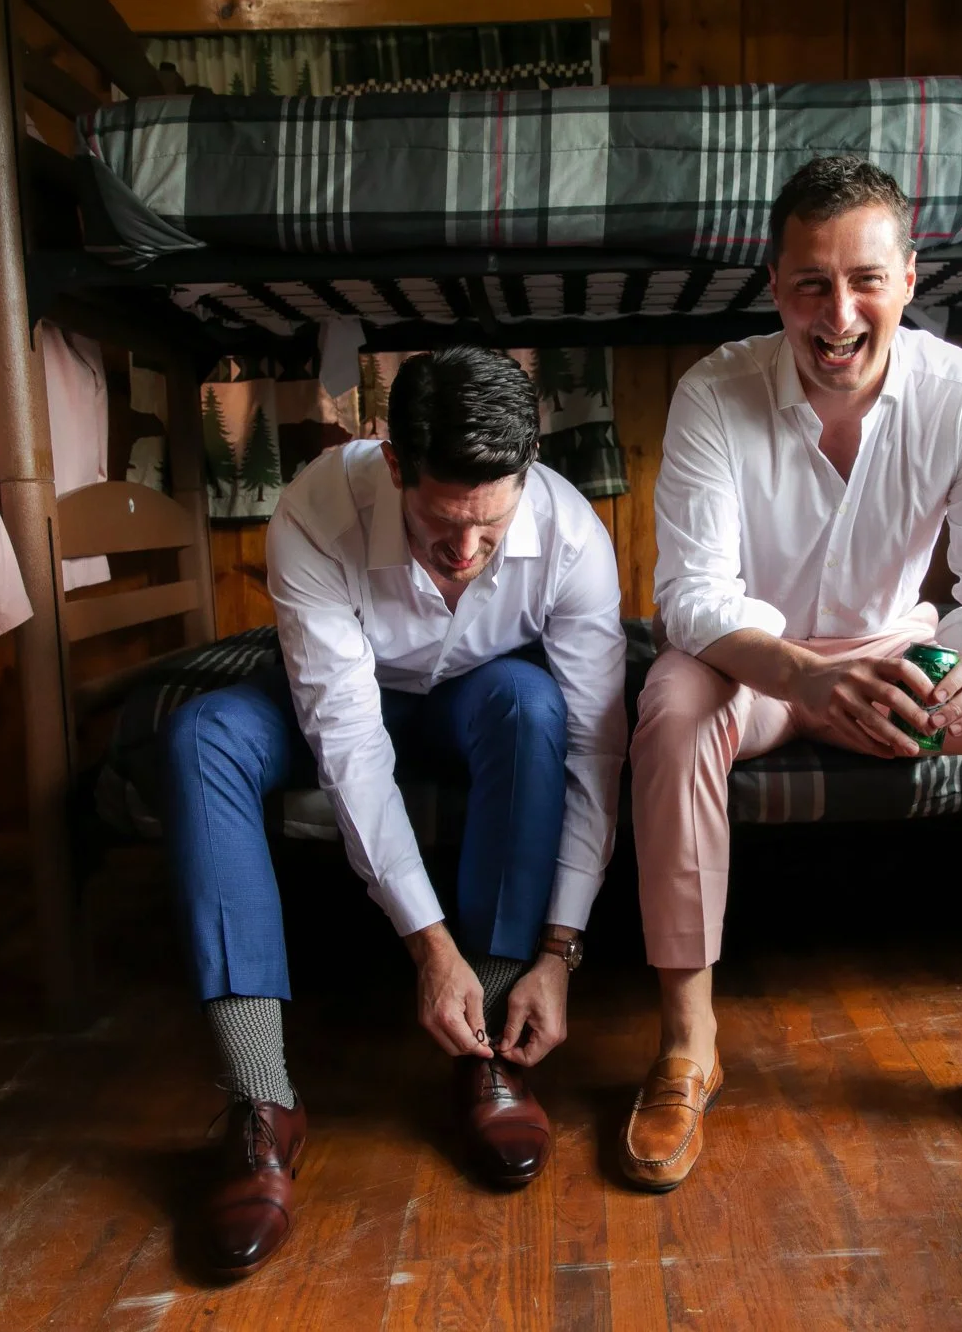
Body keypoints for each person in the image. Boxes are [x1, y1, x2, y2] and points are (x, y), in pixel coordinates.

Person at [619, 156, 962, 1195]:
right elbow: (692, 599)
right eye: (810, 283)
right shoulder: (712, 391)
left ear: (908, 280)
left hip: (895, 656)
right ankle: (687, 1043)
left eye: (865, 281)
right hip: (757, 665)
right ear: (774, 285)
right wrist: (802, 677)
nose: (837, 314)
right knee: (668, 705)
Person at [162, 346, 627, 1279]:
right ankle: (261, 1097)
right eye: (442, 523)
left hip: (471, 701)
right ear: (393, 463)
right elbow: (348, 741)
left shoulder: (571, 535)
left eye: (490, 526)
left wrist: (559, 950)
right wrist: (427, 945)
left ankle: (491, 1050)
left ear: (528, 473)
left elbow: (593, 746)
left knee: (533, 705)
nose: (466, 552)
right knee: (201, 734)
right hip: (341, 694)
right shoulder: (315, 510)